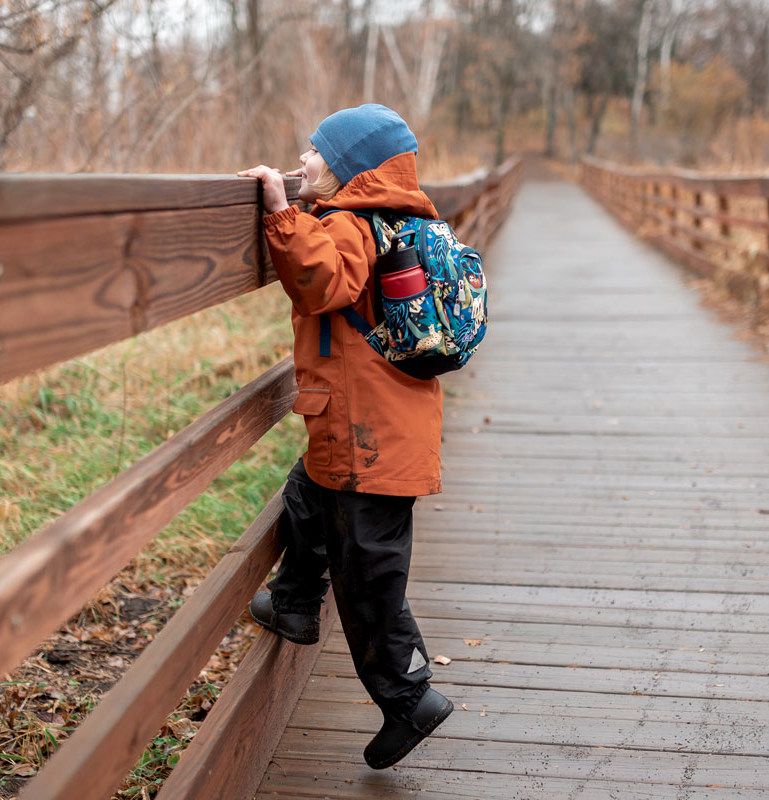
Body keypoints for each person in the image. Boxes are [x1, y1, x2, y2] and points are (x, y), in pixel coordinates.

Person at [237, 104, 452, 770]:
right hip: (365, 430)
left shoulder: (356, 225)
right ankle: (297, 604)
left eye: (313, 152)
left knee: (370, 583)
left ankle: (410, 696)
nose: (302, 160)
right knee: (307, 496)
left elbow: (320, 282)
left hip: (372, 441)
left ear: (348, 167)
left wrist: (278, 208)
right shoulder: (382, 220)